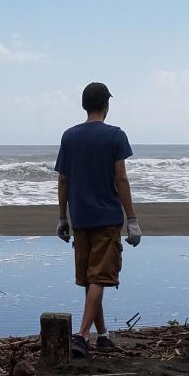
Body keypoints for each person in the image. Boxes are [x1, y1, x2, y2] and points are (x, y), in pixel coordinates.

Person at [54, 82, 141, 357]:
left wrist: (62, 218)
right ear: (106, 104)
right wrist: (133, 219)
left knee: (93, 278)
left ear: (84, 105)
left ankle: (102, 336)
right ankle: (81, 336)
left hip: (80, 217)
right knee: (100, 278)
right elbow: (121, 178)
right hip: (106, 218)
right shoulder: (115, 136)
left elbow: (63, 180)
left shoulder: (69, 136)